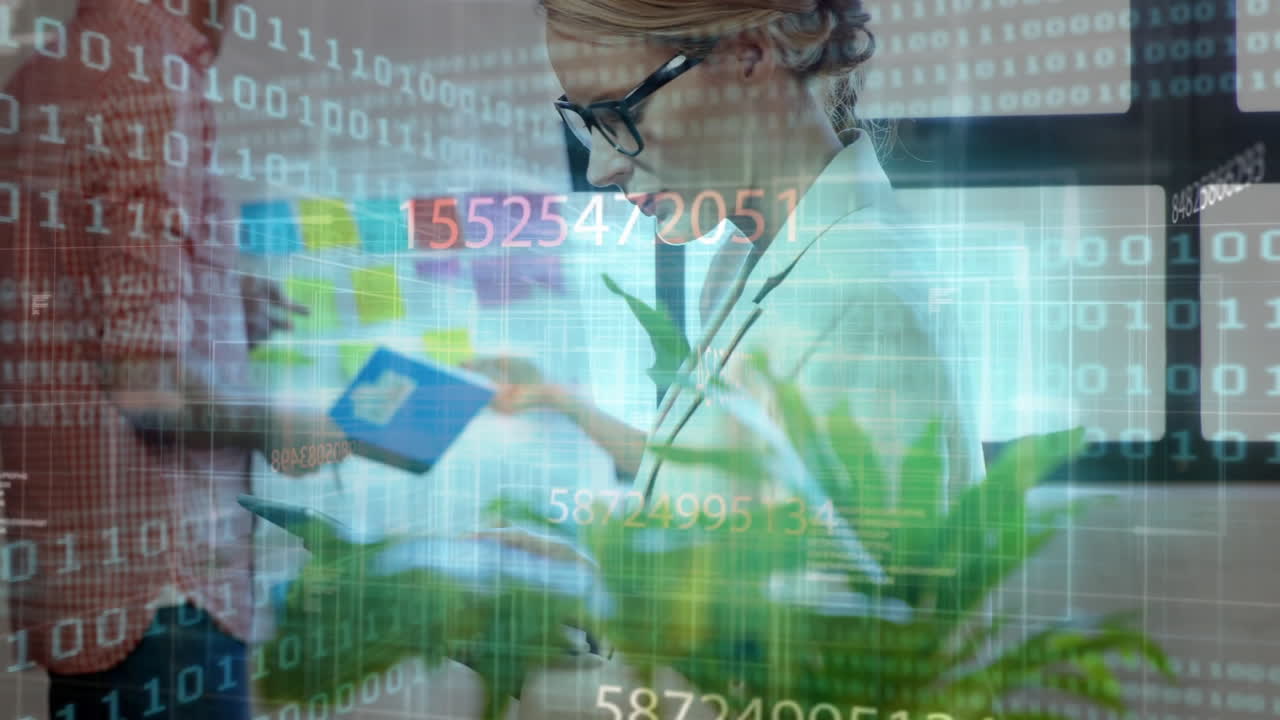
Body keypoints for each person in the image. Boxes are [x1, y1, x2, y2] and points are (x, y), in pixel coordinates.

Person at [475, 0, 989, 715]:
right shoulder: (749, 255)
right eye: (584, 121)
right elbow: (755, 561)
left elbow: (839, 686)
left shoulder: (861, 295)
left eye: (620, 115)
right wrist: (587, 586)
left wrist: (535, 682)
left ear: (749, 54)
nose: (598, 168)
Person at [0, 1, 349, 718]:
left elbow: (70, 302)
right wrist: (287, 428)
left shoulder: (41, 74)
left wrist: (215, 296)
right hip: (163, 592)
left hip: (85, 581)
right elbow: (148, 391)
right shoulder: (150, 69)